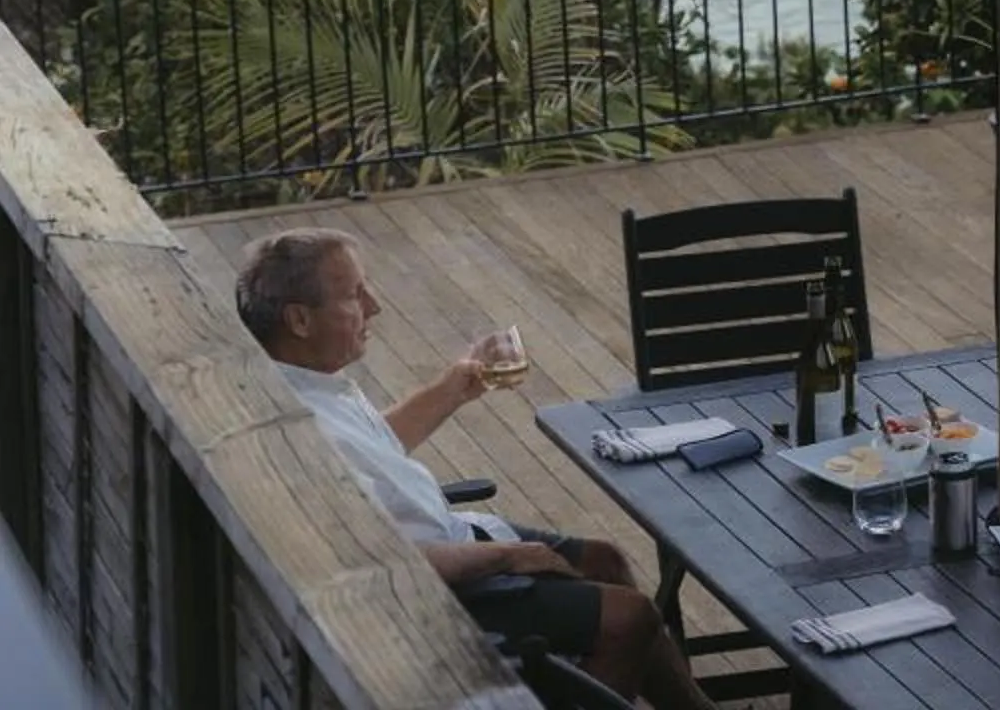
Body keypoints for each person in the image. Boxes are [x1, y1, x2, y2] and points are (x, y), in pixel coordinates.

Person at [234, 229, 713, 710]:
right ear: (299, 319)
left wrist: (455, 387)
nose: (374, 305)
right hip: (427, 593)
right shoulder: (298, 428)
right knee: (629, 619)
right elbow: (379, 562)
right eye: (354, 295)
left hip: (454, 540)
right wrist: (505, 556)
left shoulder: (311, 383)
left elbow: (373, 449)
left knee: (605, 560)